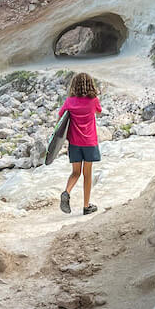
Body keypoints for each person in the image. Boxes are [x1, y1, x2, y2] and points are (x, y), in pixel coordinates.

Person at [58, 72, 102, 215]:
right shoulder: (93, 100)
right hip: (89, 142)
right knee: (87, 175)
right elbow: (98, 111)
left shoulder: (69, 101)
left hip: (74, 144)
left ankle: (66, 192)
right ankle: (86, 206)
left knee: (75, 172)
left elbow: (60, 118)